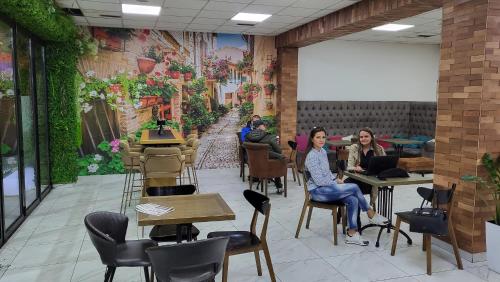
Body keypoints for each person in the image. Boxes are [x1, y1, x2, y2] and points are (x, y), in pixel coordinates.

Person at [304, 127, 387, 246]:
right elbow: (319, 181)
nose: (321, 140)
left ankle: (352, 233)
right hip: (317, 192)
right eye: (318, 137)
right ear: (312, 139)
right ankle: (370, 213)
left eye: (323, 137)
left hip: (328, 189)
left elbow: (326, 173)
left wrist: (335, 179)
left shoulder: (322, 152)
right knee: (353, 187)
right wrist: (334, 182)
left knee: (353, 199)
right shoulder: (312, 156)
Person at [245, 119, 284, 191]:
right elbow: (279, 151)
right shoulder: (269, 136)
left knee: (272, 156)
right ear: (260, 126)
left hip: (253, 164)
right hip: (267, 163)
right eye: (264, 125)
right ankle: (279, 186)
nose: (265, 127)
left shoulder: (247, 137)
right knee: (278, 158)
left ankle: (256, 177)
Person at [345, 127, 386, 194]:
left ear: (372, 137)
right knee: (345, 187)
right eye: (361, 137)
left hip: (372, 181)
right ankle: (361, 204)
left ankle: (362, 204)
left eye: (366, 136)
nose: (363, 139)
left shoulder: (379, 149)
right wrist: (355, 168)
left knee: (352, 190)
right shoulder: (354, 148)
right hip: (357, 178)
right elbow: (349, 166)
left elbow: (385, 166)